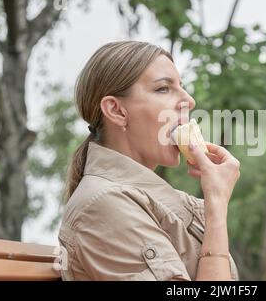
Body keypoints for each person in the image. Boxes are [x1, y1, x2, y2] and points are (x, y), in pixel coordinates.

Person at [58, 41, 241, 281]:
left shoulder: (168, 202)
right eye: (163, 89)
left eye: (181, 87)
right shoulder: (103, 205)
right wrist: (216, 205)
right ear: (117, 111)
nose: (189, 100)